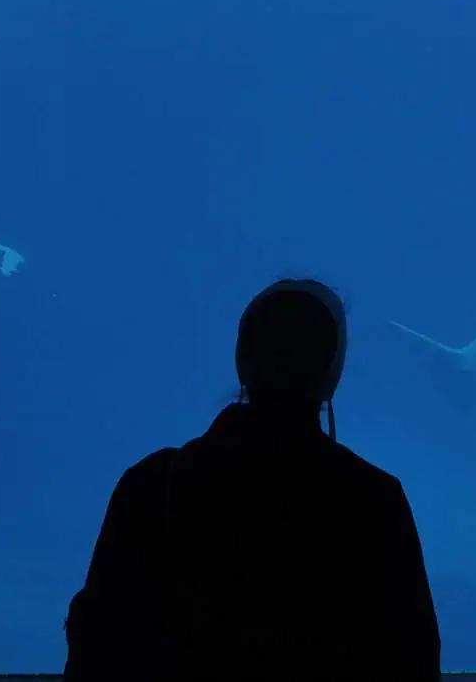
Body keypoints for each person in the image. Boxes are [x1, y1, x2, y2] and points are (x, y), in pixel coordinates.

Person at [65, 278, 441, 681]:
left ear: (242, 361)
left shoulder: (149, 486)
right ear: (333, 375)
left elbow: (95, 650)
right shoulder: (374, 501)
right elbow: (413, 661)